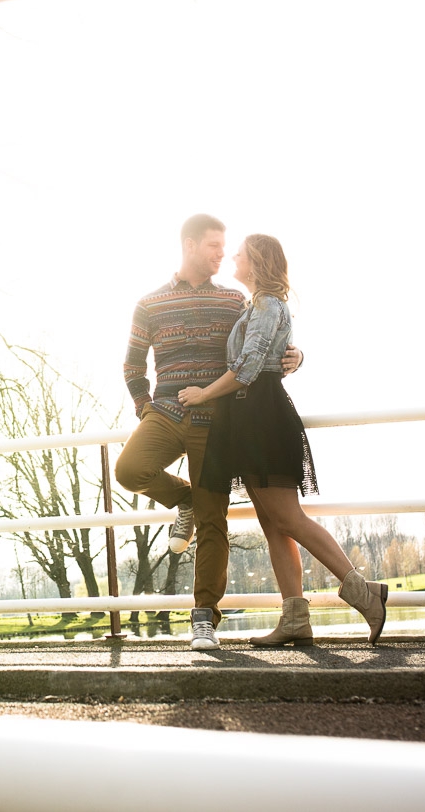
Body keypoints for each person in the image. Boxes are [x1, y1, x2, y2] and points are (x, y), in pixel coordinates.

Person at [179, 233, 387, 646]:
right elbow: (272, 352)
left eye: (238, 253)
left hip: (262, 415)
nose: (231, 257)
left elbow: (251, 364)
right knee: (272, 522)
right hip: (247, 416)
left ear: (254, 263)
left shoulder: (269, 304)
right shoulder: (256, 305)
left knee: (287, 517)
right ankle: (294, 617)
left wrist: (203, 393)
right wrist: (294, 356)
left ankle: (365, 593)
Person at [115, 215, 300, 651]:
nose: (223, 253)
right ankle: (183, 500)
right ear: (190, 244)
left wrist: (296, 356)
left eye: (225, 247)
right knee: (129, 469)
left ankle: (204, 619)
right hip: (164, 411)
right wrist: (146, 410)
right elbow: (131, 365)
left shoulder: (235, 300)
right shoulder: (150, 303)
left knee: (213, 519)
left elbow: (264, 344)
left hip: (217, 421)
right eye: (215, 246)